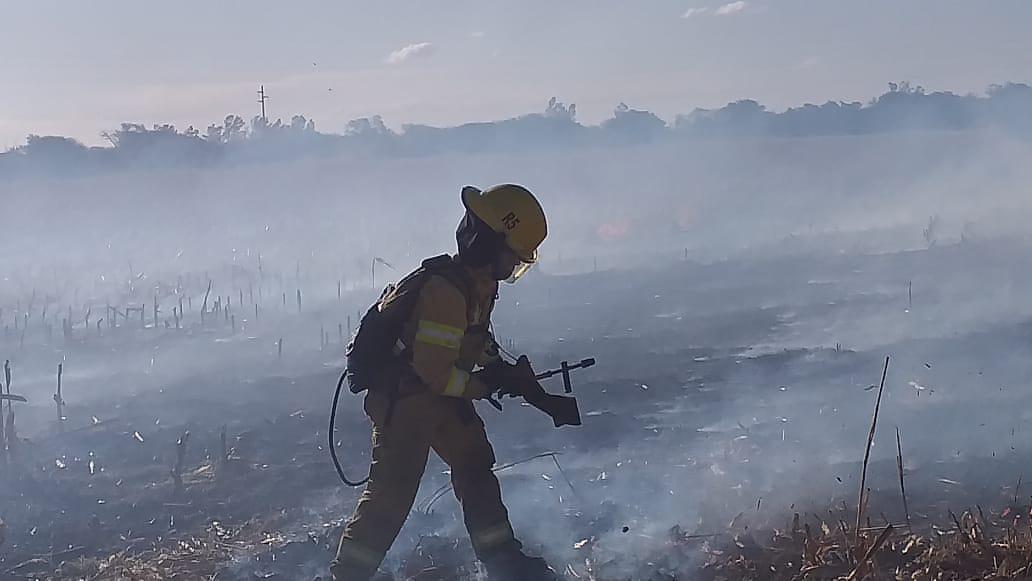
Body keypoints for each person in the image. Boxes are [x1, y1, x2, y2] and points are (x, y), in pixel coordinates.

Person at [331, 184, 559, 581]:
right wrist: (485, 387)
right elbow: (435, 374)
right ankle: (346, 576)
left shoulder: (477, 287)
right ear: (490, 244)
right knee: (391, 497)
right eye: (512, 258)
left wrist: (502, 369)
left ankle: (503, 561)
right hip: (407, 402)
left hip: (439, 396)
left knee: (475, 466)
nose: (511, 269)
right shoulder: (444, 291)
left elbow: (468, 342)